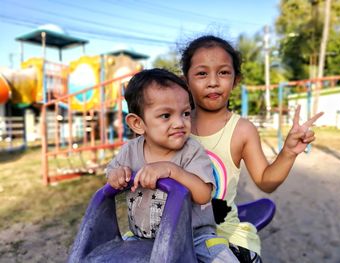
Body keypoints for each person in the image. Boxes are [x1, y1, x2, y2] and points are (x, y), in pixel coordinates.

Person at [180, 35, 323, 262]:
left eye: (223, 72)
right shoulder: (175, 125)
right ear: (186, 80)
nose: (213, 81)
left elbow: (266, 182)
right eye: (201, 73)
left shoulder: (241, 130)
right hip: (175, 232)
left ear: (236, 80)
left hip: (224, 236)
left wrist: (288, 152)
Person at [106, 68, 238, 262]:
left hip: (194, 237)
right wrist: (116, 175)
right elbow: (110, 174)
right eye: (166, 116)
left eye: (185, 113)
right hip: (142, 237)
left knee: (222, 259)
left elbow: (203, 195)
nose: (179, 123)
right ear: (137, 123)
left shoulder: (192, 151)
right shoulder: (129, 151)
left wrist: (173, 171)